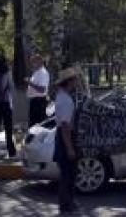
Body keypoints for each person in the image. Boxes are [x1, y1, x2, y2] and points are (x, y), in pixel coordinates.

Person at [54, 67, 80, 214]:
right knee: (67, 173)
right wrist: (69, 147)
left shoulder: (63, 96)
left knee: (69, 172)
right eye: (74, 79)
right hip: (66, 136)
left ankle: (68, 202)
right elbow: (65, 126)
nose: (76, 81)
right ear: (69, 81)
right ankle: (66, 204)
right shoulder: (65, 100)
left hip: (64, 135)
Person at [26, 54, 50, 127]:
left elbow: (42, 89)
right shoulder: (37, 72)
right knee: (33, 124)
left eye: (33, 61)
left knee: (37, 124)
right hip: (34, 101)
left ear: (39, 61)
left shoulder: (43, 73)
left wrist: (30, 83)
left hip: (39, 102)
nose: (32, 64)